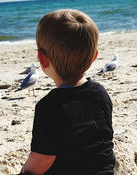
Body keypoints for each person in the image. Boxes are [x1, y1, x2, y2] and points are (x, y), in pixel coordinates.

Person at [20, 9, 115, 175]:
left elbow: (41, 161)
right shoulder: (100, 93)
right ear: (94, 57)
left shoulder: (49, 106)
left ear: (42, 59)